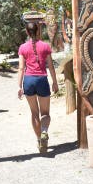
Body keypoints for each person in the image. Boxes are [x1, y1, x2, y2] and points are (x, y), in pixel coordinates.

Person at [17, 21, 58, 153]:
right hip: (42, 80)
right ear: (38, 31)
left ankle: (40, 140)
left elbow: (21, 68)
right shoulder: (45, 46)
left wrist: (19, 86)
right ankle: (44, 131)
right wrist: (55, 82)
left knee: (34, 113)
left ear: (27, 32)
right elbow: (51, 66)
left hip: (28, 81)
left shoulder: (23, 48)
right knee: (45, 113)